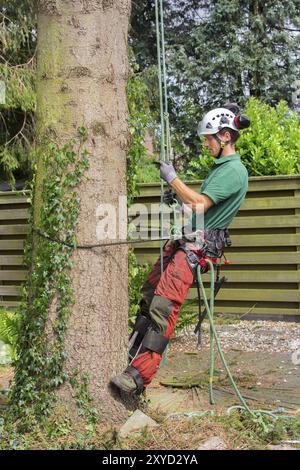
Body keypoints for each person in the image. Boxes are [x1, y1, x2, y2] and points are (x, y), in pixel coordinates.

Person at [110, 103, 250, 395]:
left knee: (164, 307)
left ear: (225, 136)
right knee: (149, 296)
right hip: (185, 242)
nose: (205, 144)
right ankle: (129, 353)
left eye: (208, 138)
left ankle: (138, 376)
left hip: (196, 250)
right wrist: (176, 196)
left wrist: (173, 178)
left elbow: (201, 204)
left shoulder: (234, 170)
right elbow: (197, 208)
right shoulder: (220, 168)